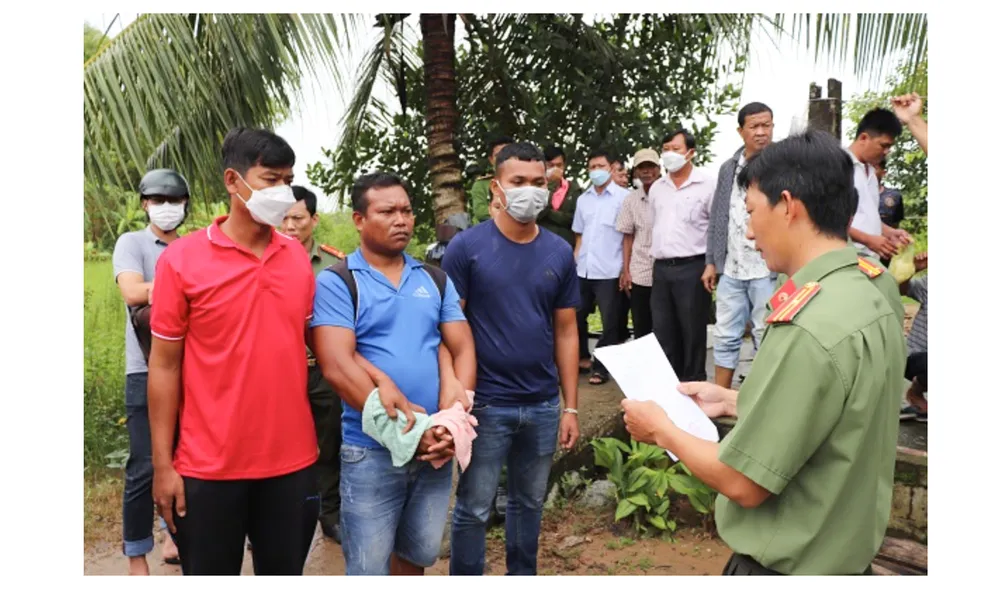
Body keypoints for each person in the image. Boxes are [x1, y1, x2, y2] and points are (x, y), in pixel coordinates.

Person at [621, 130, 907, 575]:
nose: (750, 232)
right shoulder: (874, 284)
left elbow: (744, 482)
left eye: (753, 212)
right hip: (847, 557)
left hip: (788, 565)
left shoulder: (808, 323)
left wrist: (660, 429)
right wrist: (738, 400)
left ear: (789, 205)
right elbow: (847, 400)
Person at [149, 128, 319, 575]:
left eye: (289, 179)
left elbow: (313, 346)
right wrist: (163, 465)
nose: (282, 192)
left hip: (290, 463)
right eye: (270, 179)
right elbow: (164, 367)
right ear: (232, 181)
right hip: (207, 467)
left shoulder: (297, 258)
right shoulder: (181, 261)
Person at [310, 172, 476, 576]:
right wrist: (409, 431)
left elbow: (462, 347)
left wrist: (452, 422)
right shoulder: (338, 282)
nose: (401, 219)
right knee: (368, 568)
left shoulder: (433, 279)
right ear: (359, 220)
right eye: (387, 211)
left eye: (406, 210)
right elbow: (336, 364)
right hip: (370, 450)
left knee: (416, 558)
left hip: (435, 446)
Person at [442, 142, 581, 575]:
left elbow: (567, 330)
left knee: (528, 505)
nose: (530, 191)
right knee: (474, 506)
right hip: (485, 404)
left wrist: (569, 405)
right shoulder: (466, 248)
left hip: (541, 404)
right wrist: (455, 395)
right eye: (518, 182)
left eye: (539, 182)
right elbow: (449, 327)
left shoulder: (558, 252)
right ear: (496, 187)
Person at [112, 168, 187, 574]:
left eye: (174, 201)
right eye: (158, 201)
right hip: (144, 369)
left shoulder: (192, 246)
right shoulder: (134, 242)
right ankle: (136, 555)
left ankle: (174, 536)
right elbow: (132, 290)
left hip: (189, 369)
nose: (166, 208)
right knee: (144, 463)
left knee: (185, 459)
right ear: (145, 204)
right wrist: (179, 284)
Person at [279, 185, 347, 543]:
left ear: (313, 220)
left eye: (298, 218)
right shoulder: (264, 261)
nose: (290, 226)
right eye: (284, 218)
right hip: (278, 370)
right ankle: (270, 516)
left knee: (328, 440)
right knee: (276, 440)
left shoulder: (335, 265)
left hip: (323, 368)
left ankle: (329, 512)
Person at [703, 103, 778, 389]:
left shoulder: (782, 165)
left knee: (767, 332)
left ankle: (764, 398)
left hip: (767, 267)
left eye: (766, 125)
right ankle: (721, 395)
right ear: (740, 130)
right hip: (732, 267)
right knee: (725, 333)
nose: (761, 132)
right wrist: (712, 261)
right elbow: (719, 216)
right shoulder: (729, 168)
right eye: (754, 126)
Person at [648, 129, 717, 382]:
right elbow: (655, 226)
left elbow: (715, 227)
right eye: (665, 149)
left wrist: (711, 264)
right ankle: (668, 386)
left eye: (675, 149)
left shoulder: (707, 185)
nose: (669, 154)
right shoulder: (657, 188)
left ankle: (694, 384)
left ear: (690, 152)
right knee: (663, 330)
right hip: (662, 268)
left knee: (692, 330)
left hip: (693, 266)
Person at [573, 149, 630, 385]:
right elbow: (579, 235)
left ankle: (601, 367)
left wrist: (626, 269)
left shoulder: (624, 197)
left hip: (610, 269)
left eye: (600, 166)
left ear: (611, 168)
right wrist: (574, 261)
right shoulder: (582, 199)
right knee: (576, 315)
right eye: (592, 166)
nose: (596, 170)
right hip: (583, 268)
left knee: (611, 321)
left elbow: (627, 237)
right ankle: (581, 357)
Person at [847, 108, 912, 260]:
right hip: (846, 259)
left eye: (889, 147)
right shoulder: (838, 166)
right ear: (863, 138)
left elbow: (866, 217)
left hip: (869, 260)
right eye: (883, 145)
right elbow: (825, 222)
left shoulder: (871, 172)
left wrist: (889, 232)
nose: (886, 152)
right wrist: (868, 240)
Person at [614, 148, 661, 339]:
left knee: (665, 323)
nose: (646, 171)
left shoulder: (669, 195)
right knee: (642, 324)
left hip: (665, 270)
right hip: (640, 269)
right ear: (635, 171)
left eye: (650, 166)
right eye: (642, 167)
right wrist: (626, 271)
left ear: (659, 169)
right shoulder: (630, 200)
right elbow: (627, 237)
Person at [898, 252, 928, 422]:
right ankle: (916, 392)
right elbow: (901, 289)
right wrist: (914, 270)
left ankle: (919, 401)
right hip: (917, 357)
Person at [537, 144, 581, 246]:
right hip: (540, 243)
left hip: (566, 245)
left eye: (559, 165)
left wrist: (548, 212)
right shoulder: (537, 187)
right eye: (551, 165)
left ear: (564, 165)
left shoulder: (574, 189)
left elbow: (573, 219)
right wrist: (551, 185)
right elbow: (538, 213)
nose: (556, 169)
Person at [469, 135, 514, 224]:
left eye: (508, 154)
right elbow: (481, 213)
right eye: (498, 155)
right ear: (491, 160)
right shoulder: (481, 184)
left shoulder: (529, 179)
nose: (503, 158)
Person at [874, 158, 906, 267]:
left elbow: (895, 225)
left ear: (883, 173)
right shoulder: (855, 194)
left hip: (886, 251)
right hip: (860, 249)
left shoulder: (894, 196)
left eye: (875, 167)